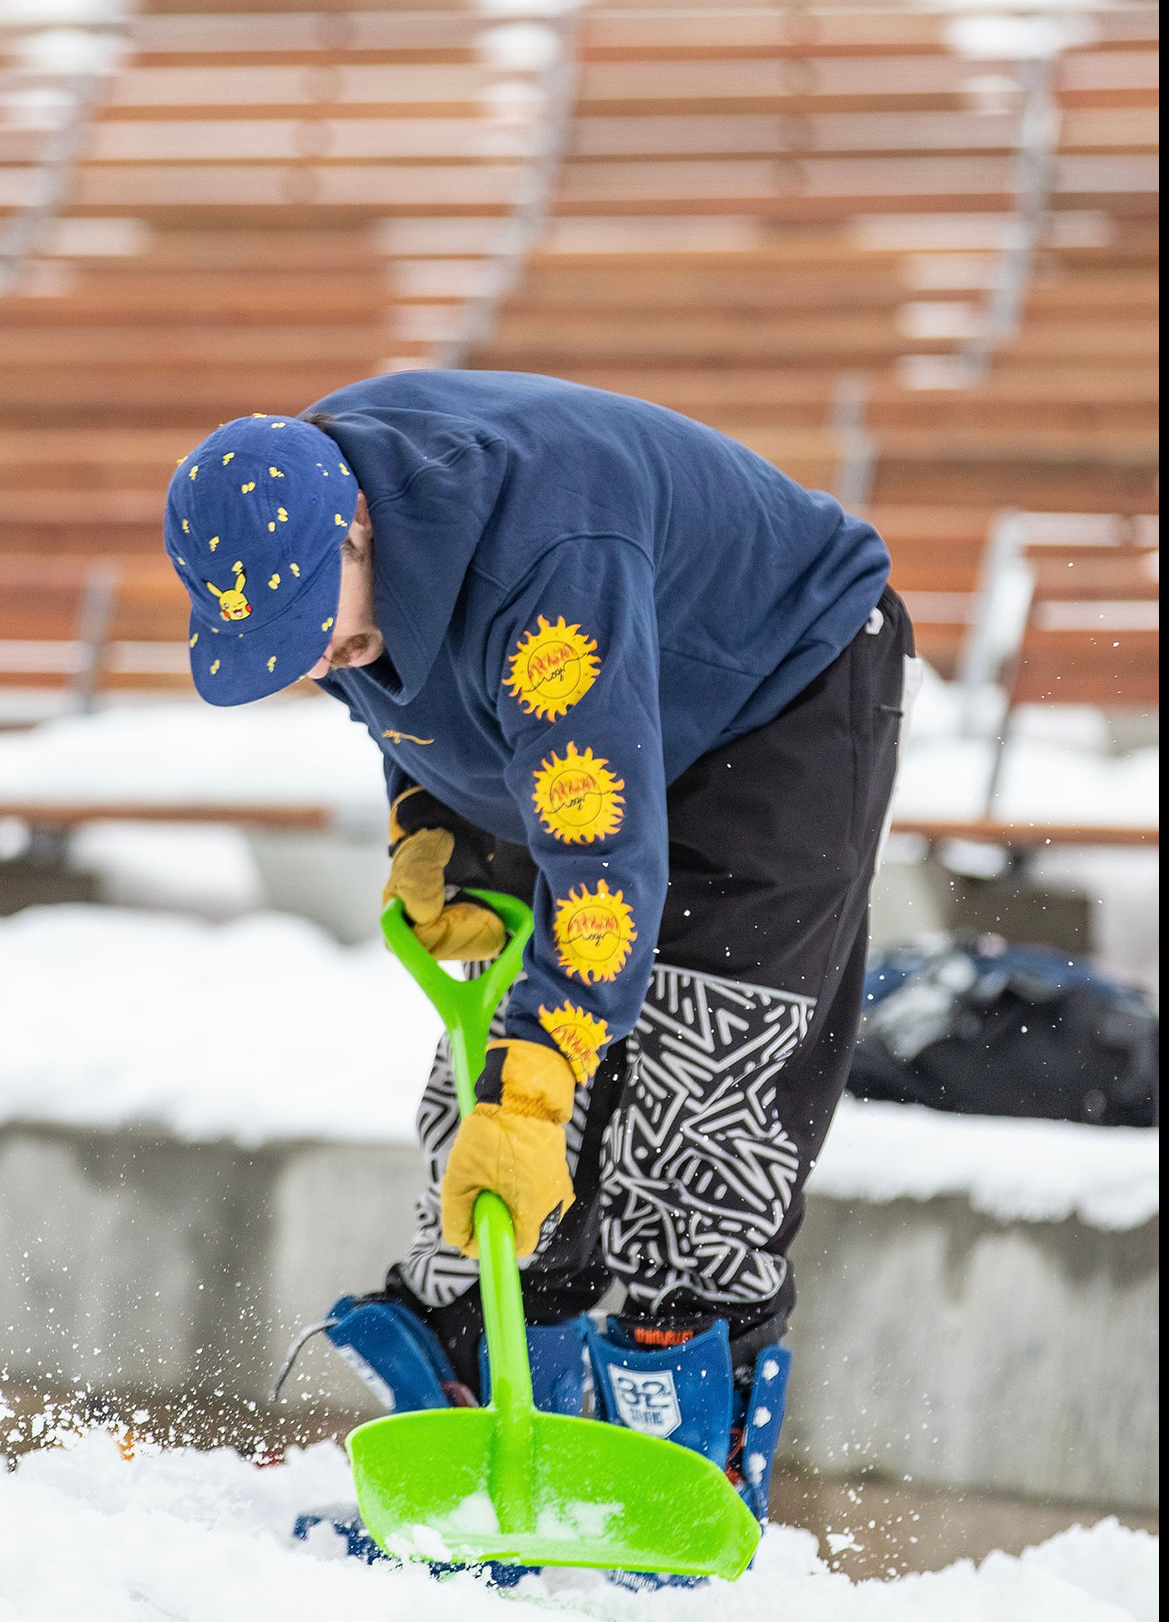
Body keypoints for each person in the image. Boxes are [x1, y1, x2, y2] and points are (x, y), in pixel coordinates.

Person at [165, 370, 918, 1533]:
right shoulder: (312, 533)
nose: (319, 665)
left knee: (701, 1092)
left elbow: (603, 872)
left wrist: (541, 1080)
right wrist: (426, 818)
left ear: (358, 526)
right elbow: (413, 694)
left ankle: (687, 1442)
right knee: (494, 1107)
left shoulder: (545, 571)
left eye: (318, 624)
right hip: (598, 716)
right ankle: (487, 1367)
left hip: (781, 690)